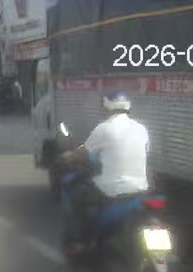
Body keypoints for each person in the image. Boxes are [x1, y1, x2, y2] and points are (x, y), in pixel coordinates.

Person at [60, 90, 150, 255]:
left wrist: (68, 157)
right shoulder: (141, 128)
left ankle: (80, 242)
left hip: (112, 190)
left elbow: (83, 152)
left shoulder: (103, 128)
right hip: (140, 189)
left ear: (106, 108)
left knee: (76, 197)